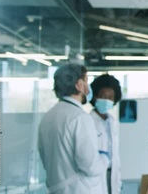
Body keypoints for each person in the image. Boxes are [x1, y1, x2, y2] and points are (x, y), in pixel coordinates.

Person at [38, 64, 109, 194]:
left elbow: (45, 160)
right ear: (79, 85)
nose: (88, 86)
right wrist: (104, 158)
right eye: (86, 81)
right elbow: (90, 167)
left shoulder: (48, 117)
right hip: (79, 189)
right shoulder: (80, 118)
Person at [89, 74, 123, 194]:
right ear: (94, 97)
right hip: (95, 177)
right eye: (102, 96)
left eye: (110, 97)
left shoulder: (112, 122)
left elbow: (115, 155)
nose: (106, 100)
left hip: (111, 174)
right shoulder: (88, 121)